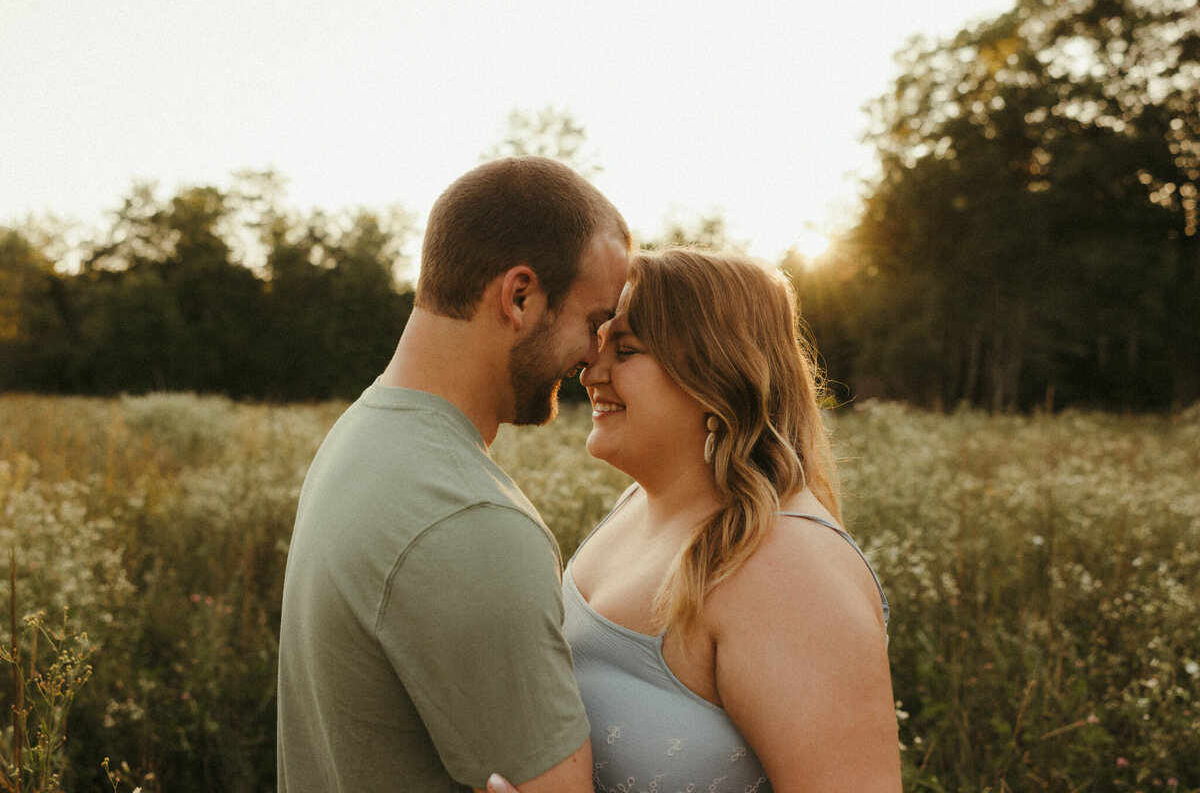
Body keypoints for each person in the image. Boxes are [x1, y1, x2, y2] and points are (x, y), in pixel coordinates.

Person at [276, 156, 631, 793]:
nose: (595, 356)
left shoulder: (363, 435)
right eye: (593, 320)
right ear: (519, 296)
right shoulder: (469, 520)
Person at [490, 248, 901, 793]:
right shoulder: (638, 501)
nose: (592, 368)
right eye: (599, 341)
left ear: (716, 376)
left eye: (627, 349)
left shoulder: (788, 569)